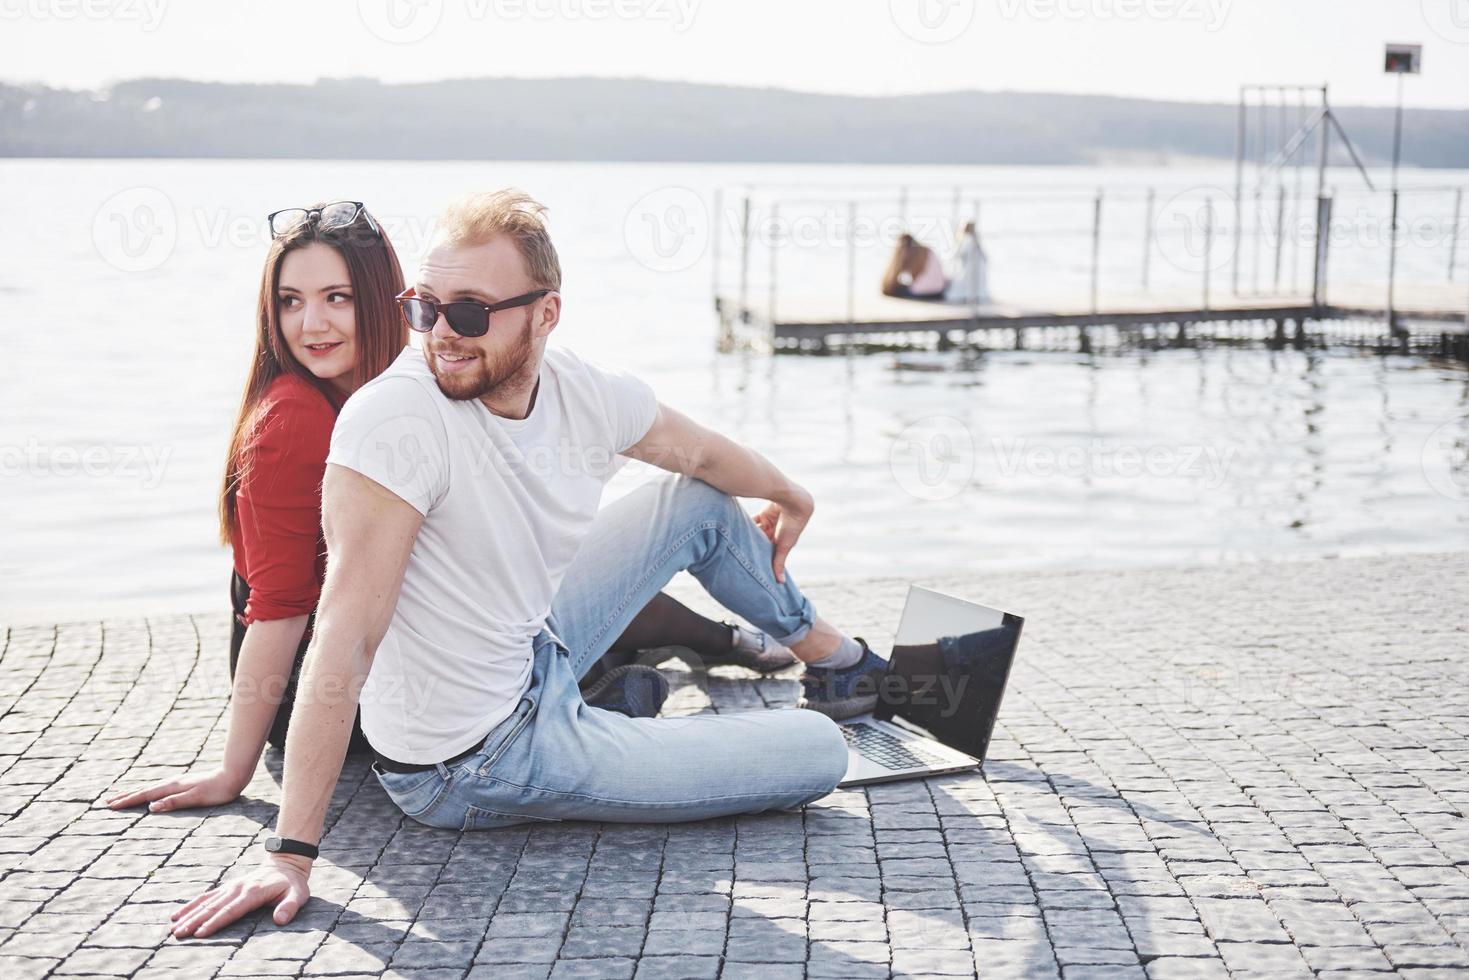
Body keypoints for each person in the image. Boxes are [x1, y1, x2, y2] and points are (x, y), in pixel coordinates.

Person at [167, 189, 891, 938]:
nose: (441, 335)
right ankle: (602, 728)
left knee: (699, 503)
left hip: (530, 648)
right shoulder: (391, 421)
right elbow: (342, 638)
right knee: (817, 750)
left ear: (545, 315)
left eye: (471, 312)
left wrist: (790, 493)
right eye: (426, 308)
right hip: (470, 762)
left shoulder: (582, 390)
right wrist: (290, 855)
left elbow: (702, 453)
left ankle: (837, 660)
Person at [106, 201, 787, 817]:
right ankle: (621, 692)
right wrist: (238, 773)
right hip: (327, 691)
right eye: (289, 301)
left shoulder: (431, 377)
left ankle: (679, 665)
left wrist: (783, 492)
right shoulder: (296, 422)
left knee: (551, 564)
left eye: (336, 298)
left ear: (383, 300)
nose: (311, 323)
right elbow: (284, 609)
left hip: (435, 646)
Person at [881, 232, 947, 300]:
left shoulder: (911, 253)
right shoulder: (926, 250)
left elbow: (890, 282)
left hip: (922, 293)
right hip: (939, 292)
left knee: (895, 289)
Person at [945, 220, 991, 305]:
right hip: (978, 283)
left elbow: (954, 256)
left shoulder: (966, 241)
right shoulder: (976, 242)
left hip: (968, 278)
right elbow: (986, 259)